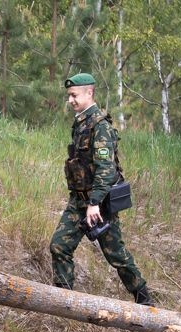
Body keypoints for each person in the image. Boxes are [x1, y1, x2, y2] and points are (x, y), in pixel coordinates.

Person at [49, 72, 154, 305]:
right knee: (59, 246)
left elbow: (106, 169)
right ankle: (63, 301)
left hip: (99, 203)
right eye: (69, 96)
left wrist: (94, 203)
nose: (71, 101)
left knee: (116, 255)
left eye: (74, 95)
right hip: (79, 200)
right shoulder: (80, 124)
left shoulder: (100, 125)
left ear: (90, 93)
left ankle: (144, 298)